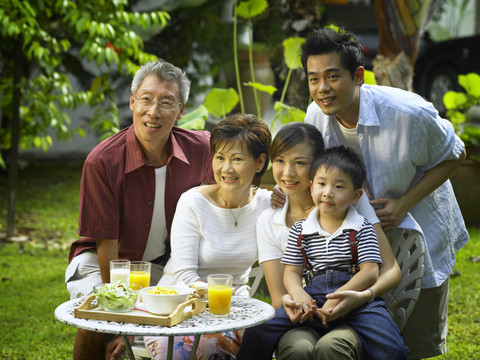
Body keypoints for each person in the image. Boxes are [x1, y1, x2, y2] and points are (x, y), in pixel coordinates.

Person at [302, 27, 469, 359]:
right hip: (361, 242)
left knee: (419, 340)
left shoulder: (409, 114)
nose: (322, 89)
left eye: (332, 76)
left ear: (358, 75)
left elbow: (457, 154)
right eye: (313, 78)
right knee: (364, 333)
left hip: (421, 228)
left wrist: (405, 202)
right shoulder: (315, 116)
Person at [65, 59, 214, 360]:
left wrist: (271, 192)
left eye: (166, 102)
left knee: (187, 318)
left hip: (160, 264)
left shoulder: (203, 149)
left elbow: (235, 176)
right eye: (146, 99)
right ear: (133, 102)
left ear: (181, 110)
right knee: (95, 314)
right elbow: (107, 247)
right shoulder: (102, 162)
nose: (154, 111)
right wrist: (118, 321)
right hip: (100, 261)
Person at [238, 145, 409, 360]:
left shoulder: (362, 227)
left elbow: (370, 272)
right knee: (259, 329)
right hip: (313, 300)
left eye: (339, 187)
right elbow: (291, 272)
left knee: (392, 347)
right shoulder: (301, 230)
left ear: (356, 195)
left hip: (357, 301)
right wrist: (300, 296)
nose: (328, 192)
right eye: (321, 184)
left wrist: (340, 298)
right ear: (311, 187)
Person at [143, 113, 272, 359]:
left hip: (232, 311)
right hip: (177, 307)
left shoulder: (268, 205)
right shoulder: (193, 202)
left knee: (243, 345)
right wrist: (222, 293)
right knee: (189, 350)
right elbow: (184, 273)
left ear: (259, 162)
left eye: (237, 159)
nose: (226, 169)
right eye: (220, 157)